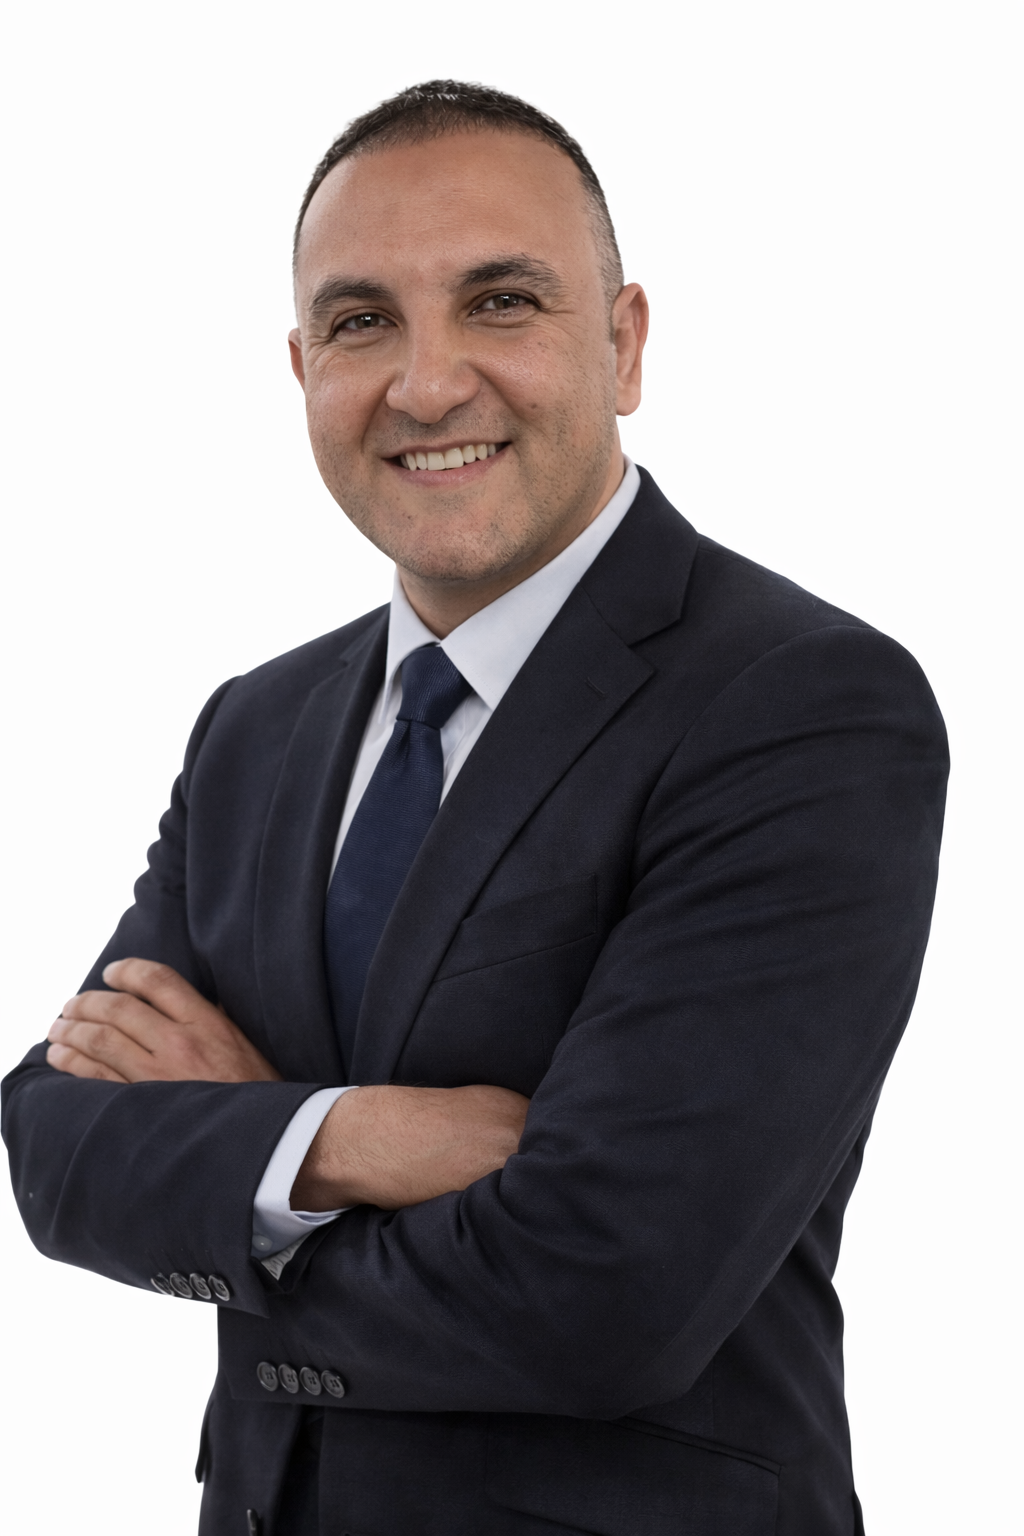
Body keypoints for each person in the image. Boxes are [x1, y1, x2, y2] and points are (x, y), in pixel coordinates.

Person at [1, 80, 948, 1536]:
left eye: (501, 302)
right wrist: (352, 1137)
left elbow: (609, 1296)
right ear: (301, 363)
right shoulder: (256, 726)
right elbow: (56, 1148)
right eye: (364, 320)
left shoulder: (802, 704)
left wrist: (229, 1168)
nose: (427, 383)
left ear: (624, 346)